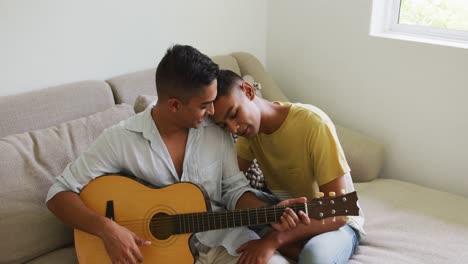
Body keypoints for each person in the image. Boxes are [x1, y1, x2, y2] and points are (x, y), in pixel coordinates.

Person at [45, 45, 309, 264]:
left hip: (223, 243)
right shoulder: (121, 139)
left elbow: (234, 190)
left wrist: (272, 212)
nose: (213, 113)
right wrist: (107, 229)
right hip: (154, 255)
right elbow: (58, 193)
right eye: (205, 106)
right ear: (174, 105)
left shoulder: (217, 131)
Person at [212, 70, 365, 264]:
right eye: (224, 126)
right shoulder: (249, 134)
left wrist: (274, 240)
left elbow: (340, 211)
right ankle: (292, 244)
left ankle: (292, 247)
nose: (234, 128)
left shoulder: (313, 124)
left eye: (234, 114)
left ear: (249, 91)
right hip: (289, 215)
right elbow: (231, 187)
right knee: (236, 206)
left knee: (314, 257)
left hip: (335, 220)